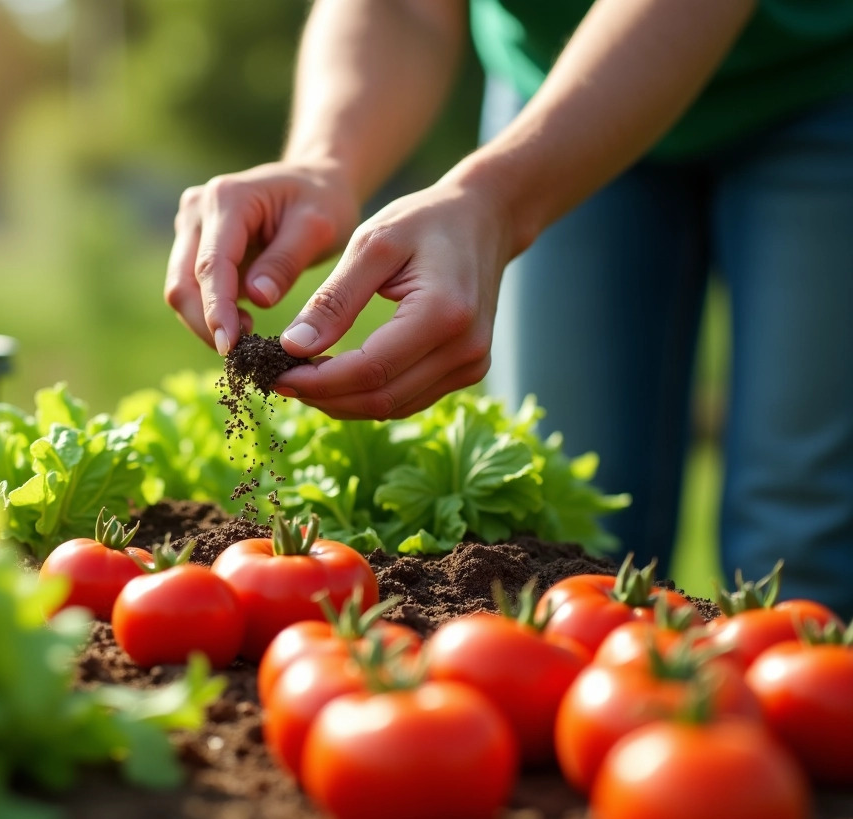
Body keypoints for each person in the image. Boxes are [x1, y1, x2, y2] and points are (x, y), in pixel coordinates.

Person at [163, 0, 853, 617]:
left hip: (816, 81)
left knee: (799, 527)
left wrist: (496, 201)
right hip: (552, 83)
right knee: (563, 539)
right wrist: (325, 162)